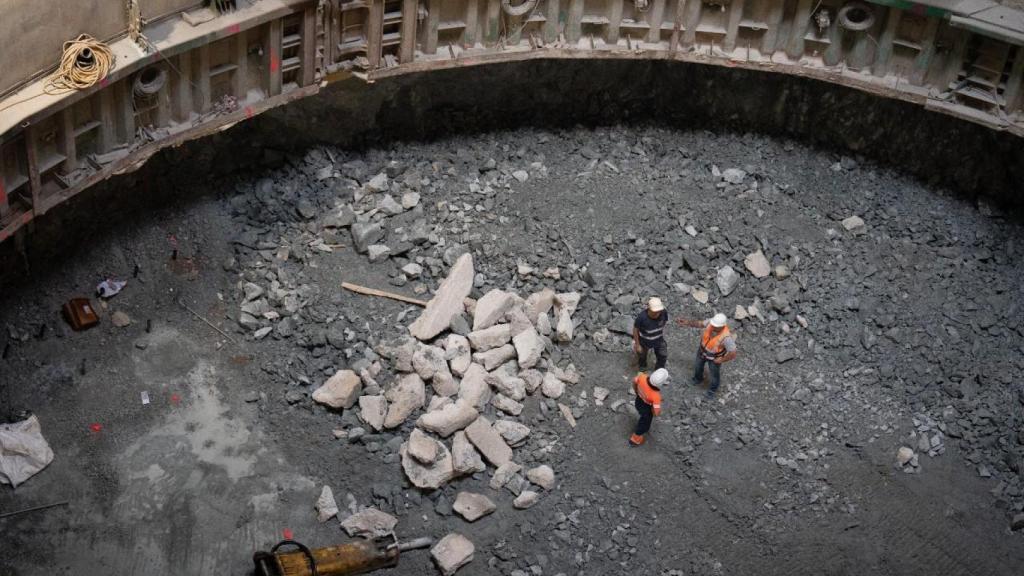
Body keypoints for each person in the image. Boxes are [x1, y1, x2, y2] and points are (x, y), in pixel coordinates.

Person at [677, 313, 737, 399]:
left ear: (722, 326)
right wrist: (687, 322)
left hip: (714, 358)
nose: (713, 326)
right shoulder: (711, 323)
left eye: (715, 326)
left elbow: (733, 353)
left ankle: (712, 390)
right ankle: (697, 379)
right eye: (713, 324)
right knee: (698, 366)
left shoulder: (726, 337)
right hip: (702, 351)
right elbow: (700, 324)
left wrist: (721, 360)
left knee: (714, 375)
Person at [630, 368, 668, 446]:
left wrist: (637, 392)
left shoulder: (642, 376)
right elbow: (656, 412)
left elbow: (634, 382)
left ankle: (643, 427)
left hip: (638, 400)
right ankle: (635, 439)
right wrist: (654, 413)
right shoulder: (656, 396)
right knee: (644, 422)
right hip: (646, 408)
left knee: (642, 414)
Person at [633, 297, 668, 371]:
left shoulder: (663, 312)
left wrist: (657, 330)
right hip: (644, 341)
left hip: (658, 339)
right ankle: (643, 367)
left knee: (663, 355)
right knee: (642, 354)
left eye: (659, 311)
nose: (657, 313)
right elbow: (635, 330)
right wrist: (637, 344)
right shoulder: (641, 317)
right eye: (655, 311)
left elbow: (664, 322)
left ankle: (659, 370)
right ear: (649, 309)